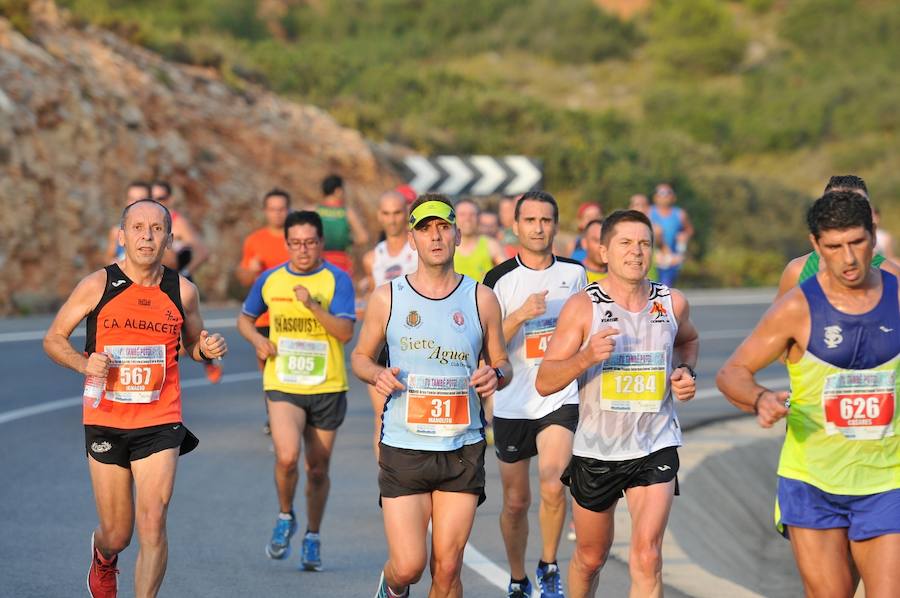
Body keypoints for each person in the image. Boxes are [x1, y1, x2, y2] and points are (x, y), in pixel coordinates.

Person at [716, 191, 900, 598]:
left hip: (888, 479)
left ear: (875, 237)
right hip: (812, 481)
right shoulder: (797, 308)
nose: (849, 259)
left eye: (857, 242)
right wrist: (760, 398)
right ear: (816, 246)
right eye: (834, 247)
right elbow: (732, 371)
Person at [43, 199, 228, 598]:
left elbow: (194, 344)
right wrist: (82, 363)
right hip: (107, 418)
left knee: (153, 520)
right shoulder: (98, 285)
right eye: (138, 227)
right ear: (122, 235)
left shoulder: (183, 290)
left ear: (169, 239)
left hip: (160, 420)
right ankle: (104, 556)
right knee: (118, 532)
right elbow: (53, 339)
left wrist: (206, 349)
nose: (147, 236)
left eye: (157, 228)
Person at [351, 193, 511, 598]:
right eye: (425, 229)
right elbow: (360, 357)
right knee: (409, 566)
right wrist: (377, 374)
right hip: (405, 446)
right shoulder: (388, 297)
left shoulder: (482, 298)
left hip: (462, 446)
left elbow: (503, 363)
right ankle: (392, 586)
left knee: (449, 567)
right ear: (412, 240)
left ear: (458, 235)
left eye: (443, 227)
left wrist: (495, 375)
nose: (435, 237)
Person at [536, 209, 699, 598]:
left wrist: (686, 373)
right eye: (625, 243)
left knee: (647, 556)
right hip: (597, 450)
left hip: (654, 443)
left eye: (644, 243)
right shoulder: (582, 307)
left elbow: (688, 341)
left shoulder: (671, 303)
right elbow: (544, 381)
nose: (636, 252)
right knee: (591, 558)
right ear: (604, 251)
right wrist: (586, 357)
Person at [237, 210, 356, 572]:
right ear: (286, 244)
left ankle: (313, 536)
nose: (303, 250)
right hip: (283, 383)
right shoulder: (270, 280)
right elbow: (244, 319)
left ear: (321, 243)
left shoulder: (338, 280)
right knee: (287, 458)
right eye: (295, 244)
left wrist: (312, 306)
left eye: (310, 243)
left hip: (327, 385)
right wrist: (258, 339)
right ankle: (286, 515)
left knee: (317, 469)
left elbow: (344, 333)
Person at [483, 191, 586, 598]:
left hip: (559, 397)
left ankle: (548, 566)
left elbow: (586, 331)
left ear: (556, 227)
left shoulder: (576, 275)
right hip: (513, 399)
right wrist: (521, 316)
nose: (539, 228)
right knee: (515, 501)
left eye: (546, 220)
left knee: (552, 483)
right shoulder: (499, 279)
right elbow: (487, 344)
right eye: (530, 220)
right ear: (516, 226)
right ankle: (516, 577)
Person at [776, 175, 899, 299]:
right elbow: (779, 316)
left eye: (859, 206)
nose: (848, 214)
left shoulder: (891, 275)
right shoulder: (797, 271)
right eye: (837, 205)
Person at [361, 190, 418, 457]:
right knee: (382, 416)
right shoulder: (372, 258)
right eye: (387, 213)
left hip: (417, 340)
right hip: (384, 343)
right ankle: (387, 480)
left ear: (406, 214)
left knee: (414, 416)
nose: (393, 219)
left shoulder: (417, 249)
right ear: (379, 216)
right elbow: (372, 298)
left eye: (397, 213)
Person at [150, 181, 219, 383]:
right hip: (155, 282)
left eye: (161, 197)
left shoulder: (178, 222)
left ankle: (210, 361)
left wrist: (186, 272)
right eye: (152, 197)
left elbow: (202, 251)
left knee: (189, 333)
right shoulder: (149, 222)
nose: (157, 201)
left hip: (176, 283)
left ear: (170, 199)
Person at [236, 188, 292, 435]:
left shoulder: (296, 239)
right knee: (269, 369)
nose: (277, 213)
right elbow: (244, 278)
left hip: (292, 315)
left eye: (282, 208)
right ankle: (274, 415)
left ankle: (292, 413)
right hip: (264, 316)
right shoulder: (254, 240)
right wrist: (252, 269)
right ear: (265, 211)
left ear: (288, 210)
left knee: (291, 366)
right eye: (272, 208)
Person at [315, 174, 370, 275]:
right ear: (338, 191)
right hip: (342, 261)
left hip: (319, 260)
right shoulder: (347, 212)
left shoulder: (315, 211)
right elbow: (363, 237)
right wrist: (347, 241)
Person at [648, 184, 693, 287]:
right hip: (654, 255)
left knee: (666, 286)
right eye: (661, 194)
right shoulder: (649, 212)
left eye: (667, 193)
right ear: (655, 197)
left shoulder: (679, 214)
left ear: (673, 197)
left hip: (672, 256)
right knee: (651, 286)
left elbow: (689, 229)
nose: (664, 197)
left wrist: (685, 235)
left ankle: (663, 302)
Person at [453, 198, 505, 283]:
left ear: (479, 218)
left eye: (472, 214)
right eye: (462, 214)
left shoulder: (491, 244)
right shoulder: (447, 245)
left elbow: (508, 274)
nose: (467, 219)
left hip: (483, 295)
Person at [104, 181, 152, 264]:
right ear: (127, 201)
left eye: (141, 199)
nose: (135, 203)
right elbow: (108, 259)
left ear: (151, 201)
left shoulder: (158, 231)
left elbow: (171, 263)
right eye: (132, 199)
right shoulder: (117, 232)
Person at [628, 194, 661, 282]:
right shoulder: (622, 229)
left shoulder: (656, 229)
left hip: (650, 274)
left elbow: (664, 251)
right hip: (628, 274)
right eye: (637, 205)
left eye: (644, 205)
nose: (641, 208)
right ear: (630, 207)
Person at [580, 219, 607, 284]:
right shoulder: (573, 275)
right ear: (584, 243)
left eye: (605, 241)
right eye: (596, 240)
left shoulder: (619, 278)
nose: (601, 247)